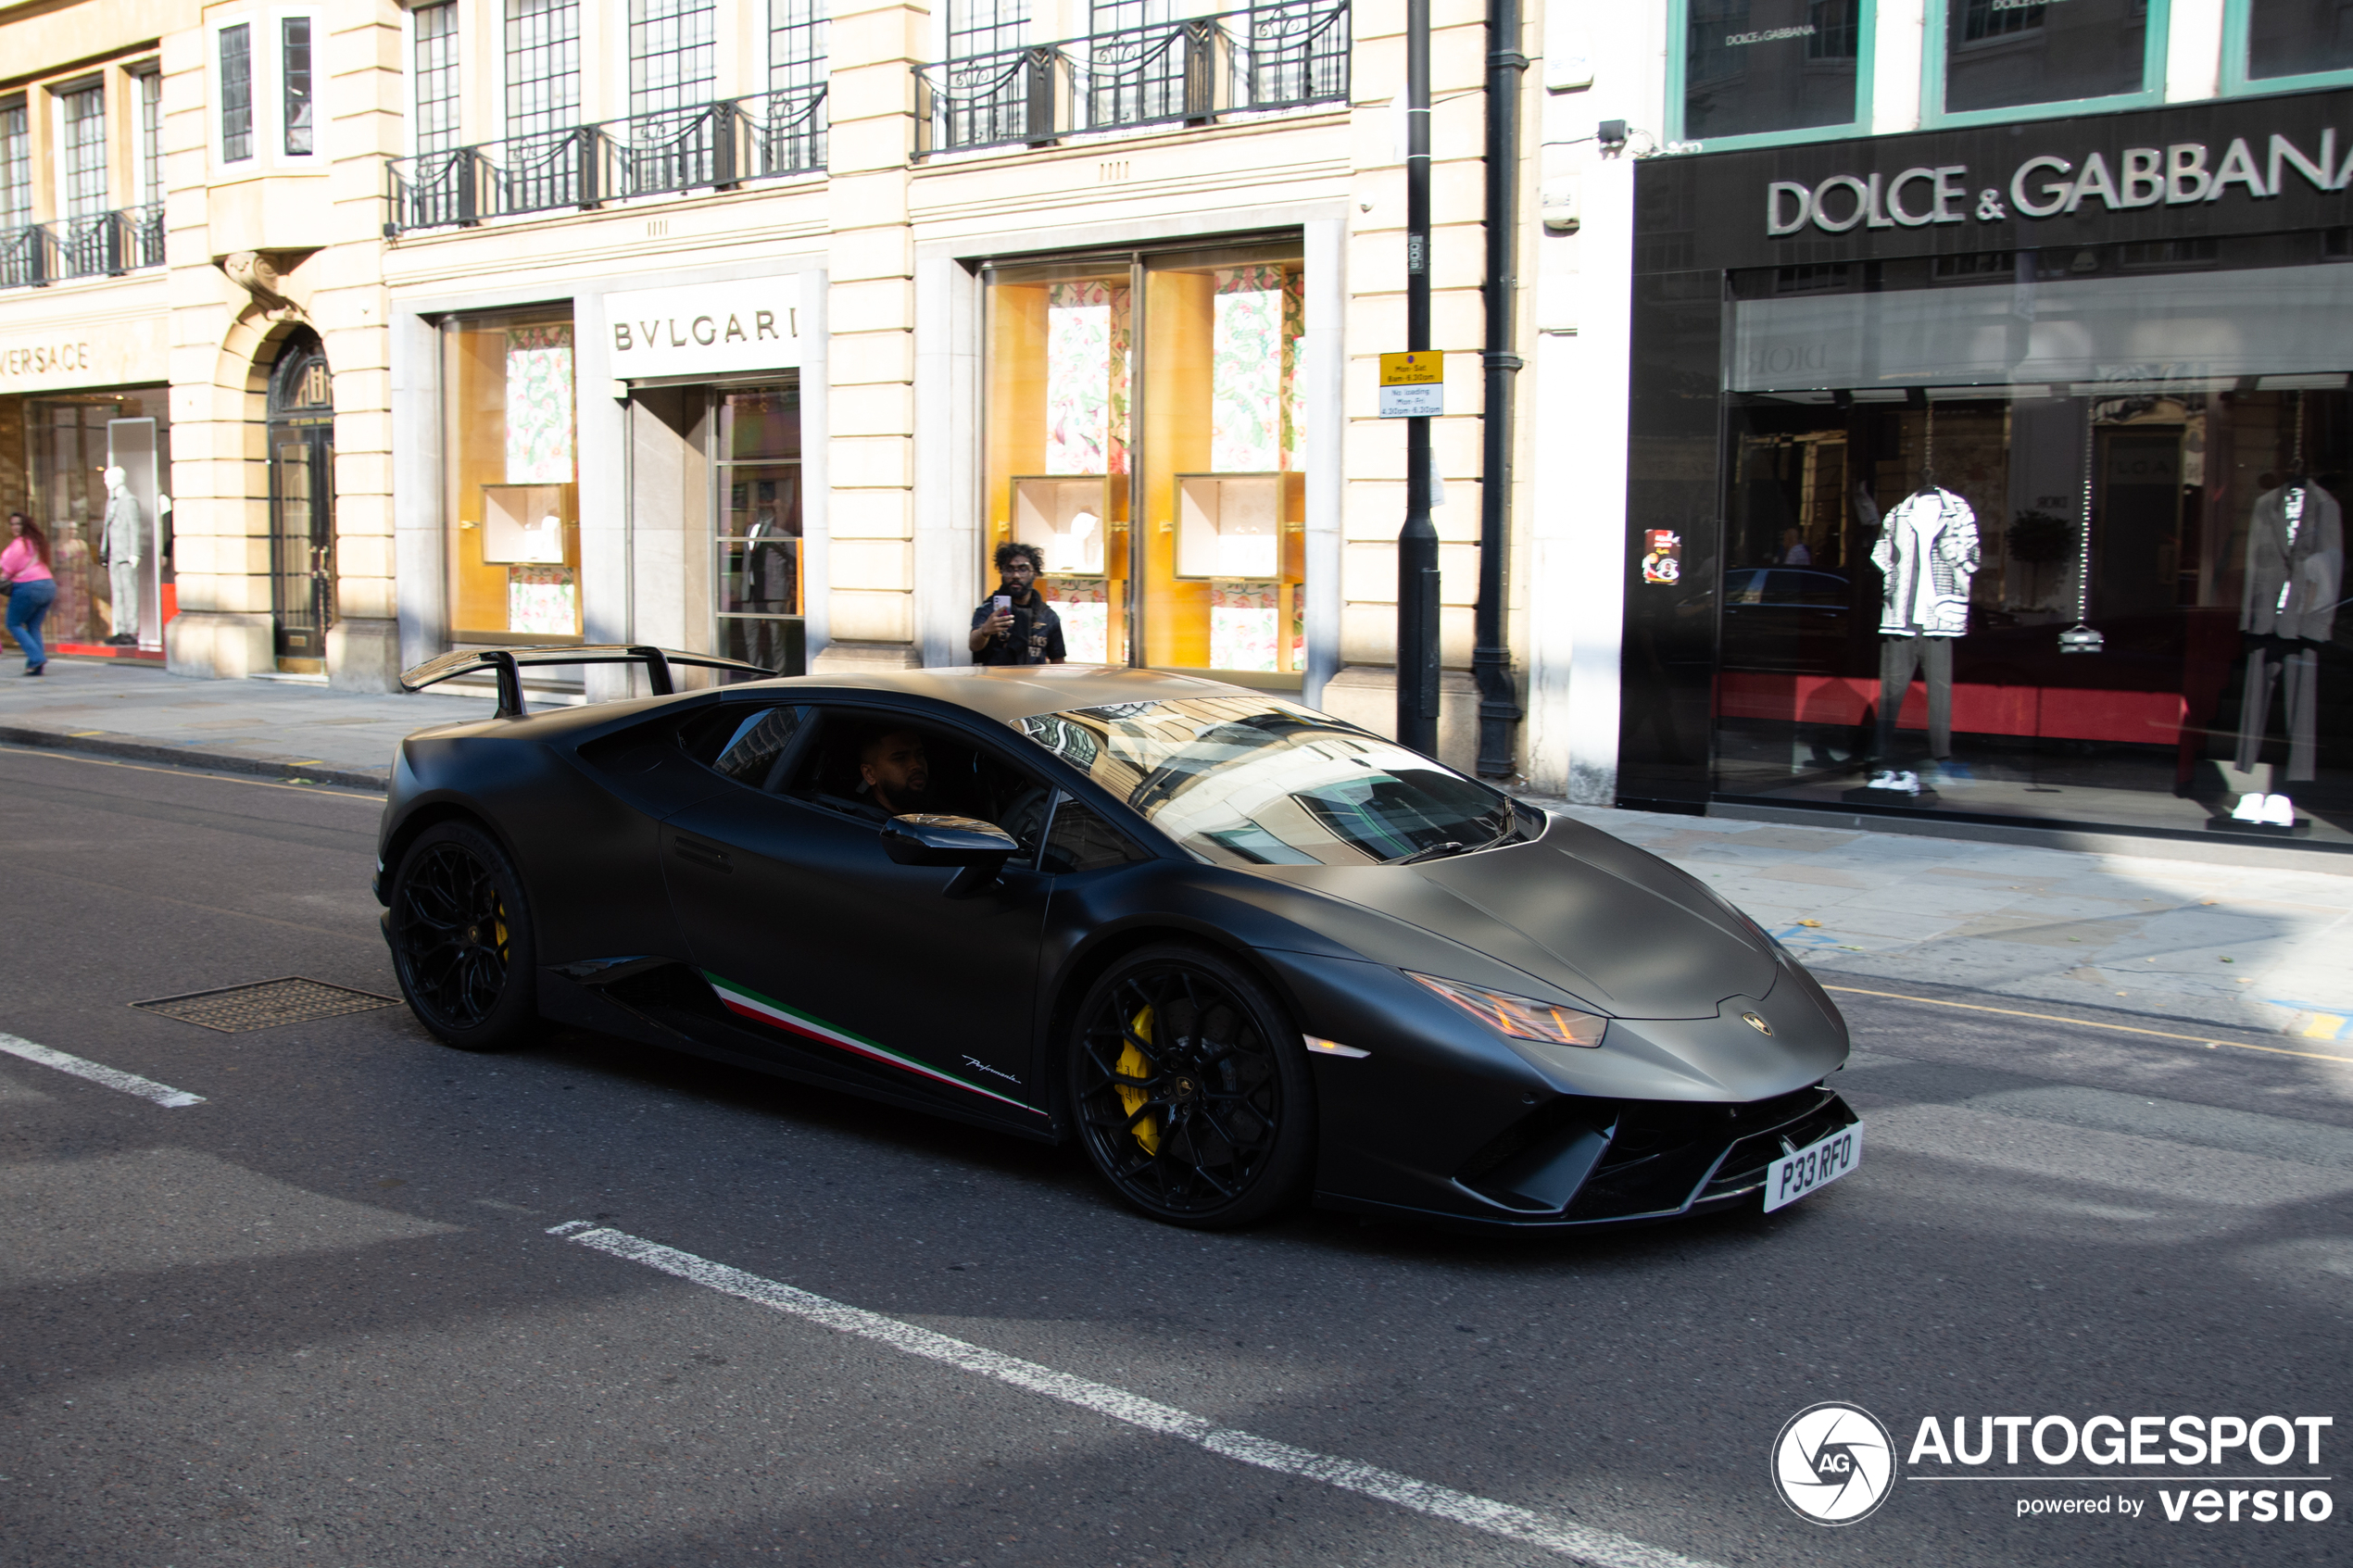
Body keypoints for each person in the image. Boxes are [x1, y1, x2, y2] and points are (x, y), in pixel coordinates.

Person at [968, 541, 1065, 666]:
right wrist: (985, 631)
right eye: (1009, 569)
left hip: (1032, 683)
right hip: (996, 682)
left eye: (1023, 569)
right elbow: (973, 646)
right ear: (1002, 572)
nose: (1016, 575)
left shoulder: (1048, 616)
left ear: (1034, 572)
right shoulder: (988, 610)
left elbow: (1058, 661)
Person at [1, 512, 56, 676]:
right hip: (48, 586)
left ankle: (37, 657)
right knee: (33, 626)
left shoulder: (19, 544)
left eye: (18, 523)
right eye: (12, 524)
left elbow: (8, 570)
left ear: (25, 525)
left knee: (13, 624)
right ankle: (36, 666)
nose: (15, 527)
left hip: (28, 587)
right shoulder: (37, 543)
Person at [857, 727, 940, 818]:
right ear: (870, 774)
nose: (916, 765)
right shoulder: (864, 825)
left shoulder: (941, 811)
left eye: (919, 755)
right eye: (900, 758)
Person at [101, 466, 143, 645]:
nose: (105, 482)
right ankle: (121, 628)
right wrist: (104, 550)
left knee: (129, 592)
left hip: (126, 554)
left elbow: (135, 527)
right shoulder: (111, 501)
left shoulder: (129, 501)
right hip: (113, 554)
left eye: (109, 478)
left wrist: (135, 552)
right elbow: (106, 528)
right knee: (117, 593)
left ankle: (131, 630)